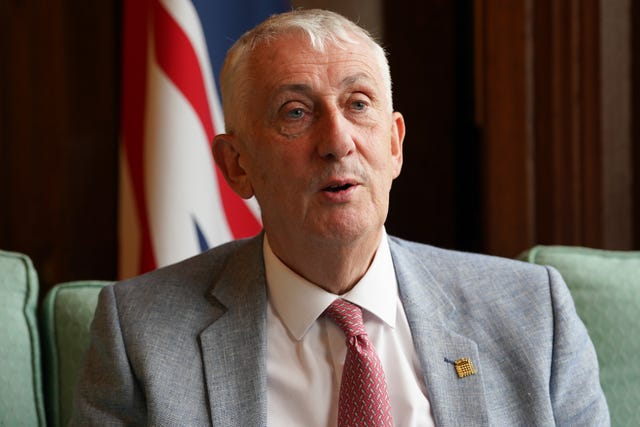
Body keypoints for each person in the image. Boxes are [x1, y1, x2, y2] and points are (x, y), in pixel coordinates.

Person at [71, 8, 609, 426]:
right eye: (296, 113)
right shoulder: (142, 333)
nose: (337, 142)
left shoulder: (534, 315)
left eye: (358, 104)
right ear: (237, 166)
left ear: (394, 144)